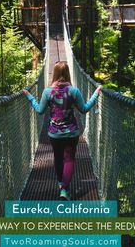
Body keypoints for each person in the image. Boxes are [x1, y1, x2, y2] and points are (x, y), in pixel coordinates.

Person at [23, 61, 101, 200]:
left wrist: (30, 97)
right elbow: (84, 109)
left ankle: (61, 183)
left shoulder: (48, 92)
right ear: (68, 73)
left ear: (55, 73)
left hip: (54, 133)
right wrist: (95, 95)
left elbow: (40, 111)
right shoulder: (74, 91)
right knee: (69, 159)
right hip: (71, 132)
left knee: (58, 158)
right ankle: (64, 190)